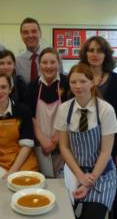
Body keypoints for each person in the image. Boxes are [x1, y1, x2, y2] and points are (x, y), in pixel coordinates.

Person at [55, 63, 117, 219]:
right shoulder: (64, 109)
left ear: (92, 82)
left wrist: (89, 181)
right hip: (74, 172)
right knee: (63, 214)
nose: (78, 86)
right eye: (73, 82)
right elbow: (64, 147)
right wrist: (80, 176)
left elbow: (105, 152)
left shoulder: (105, 110)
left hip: (101, 175)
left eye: (83, 81)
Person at [79, 36, 117, 219]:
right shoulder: (78, 78)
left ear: (106, 55)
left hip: (109, 147)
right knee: (85, 194)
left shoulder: (116, 80)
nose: (95, 54)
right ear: (85, 53)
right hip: (84, 148)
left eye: (99, 50)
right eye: (91, 50)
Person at [25, 47, 69, 178]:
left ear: (58, 63)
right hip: (40, 145)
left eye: (52, 62)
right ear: (39, 64)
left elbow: (71, 114)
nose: (48, 66)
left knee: (62, 184)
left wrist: (57, 138)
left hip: (63, 143)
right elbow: (31, 116)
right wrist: (43, 140)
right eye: (44, 62)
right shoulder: (32, 86)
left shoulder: (67, 83)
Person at [16, 17, 44, 85]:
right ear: (21, 36)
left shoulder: (53, 58)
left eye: (34, 31)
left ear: (40, 33)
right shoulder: (16, 62)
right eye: (25, 32)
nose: (30, 35)